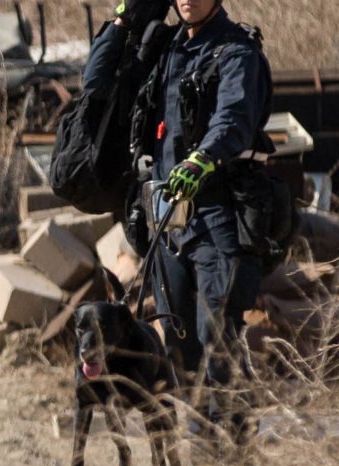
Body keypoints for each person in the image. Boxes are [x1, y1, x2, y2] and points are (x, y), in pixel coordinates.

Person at [85, 0, 272, 441]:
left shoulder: (236, 51)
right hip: (169, 222)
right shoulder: (164, 46)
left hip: (218, 215)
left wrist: (202, 160)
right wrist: (122, 16)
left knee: (217, 333)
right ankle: (208, 444)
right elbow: (95, 81)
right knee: (180, 343)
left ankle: (231, 452)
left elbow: (234, 120)